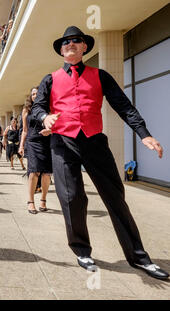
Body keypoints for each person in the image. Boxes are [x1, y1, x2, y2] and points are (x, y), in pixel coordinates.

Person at [32, 26, 168, 280]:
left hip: (94, 141)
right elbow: (36, 108)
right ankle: (82, 250)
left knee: (115, 198)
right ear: (61, 50)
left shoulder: (100, 75)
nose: (70, 44)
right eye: (66, 42)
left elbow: (123, 106)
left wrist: (144, 134)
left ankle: (139, 257)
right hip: (63, 142)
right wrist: (45, 116)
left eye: (76, 41)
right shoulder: (49, 79)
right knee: (72, 198)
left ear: (85, 47)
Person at [20, 87, 52, 214]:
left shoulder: (49, 108)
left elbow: (56, 124)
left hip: (47, 142)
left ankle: (43, 199)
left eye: (37, 93)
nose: (35, 95)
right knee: (34, 172)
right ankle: (30, 201)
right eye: (32, 94)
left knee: (46, 173)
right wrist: (21, 145)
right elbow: (24, 130)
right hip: (32, 142)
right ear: (30, 96)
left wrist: (49, 131)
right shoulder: (26, 110)